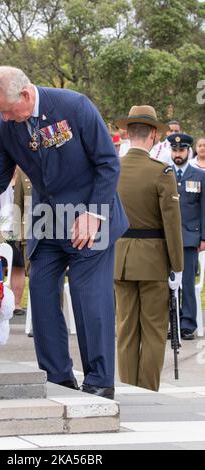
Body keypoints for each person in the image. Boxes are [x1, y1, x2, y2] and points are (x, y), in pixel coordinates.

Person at [0, 65, 129, 399]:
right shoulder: (8, 125)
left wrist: (94, 213)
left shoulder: (75, 106)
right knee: (40, 296)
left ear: (26, 95)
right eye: (0, 112)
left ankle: (99, 382)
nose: (6, 119)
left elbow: (107, 163)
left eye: (8, 110)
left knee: (90, 301)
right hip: (46, 220)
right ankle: (58, 378)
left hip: (89, 215)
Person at [114, 105, 184, 392]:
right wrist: (177, 267)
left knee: (126, 329)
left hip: (119, 257)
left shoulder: (112, 169)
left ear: (128, 133)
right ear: (153, 135)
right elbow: (171, 224)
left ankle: (128, 389)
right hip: (153, 260)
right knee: (154, 329)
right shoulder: (161, 172)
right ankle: (147, 390)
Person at [168, 133, 205, 340]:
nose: (178, 154)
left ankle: (188, 324)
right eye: (175, 150)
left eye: (181, 150)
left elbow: (203, 208)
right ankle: (171, 323)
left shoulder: (200, 176)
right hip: (167, 239)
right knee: (167, 283)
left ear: (188, 151)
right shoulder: (163, 174)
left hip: (190, 238)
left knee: (188, 283)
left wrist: (204, 237)